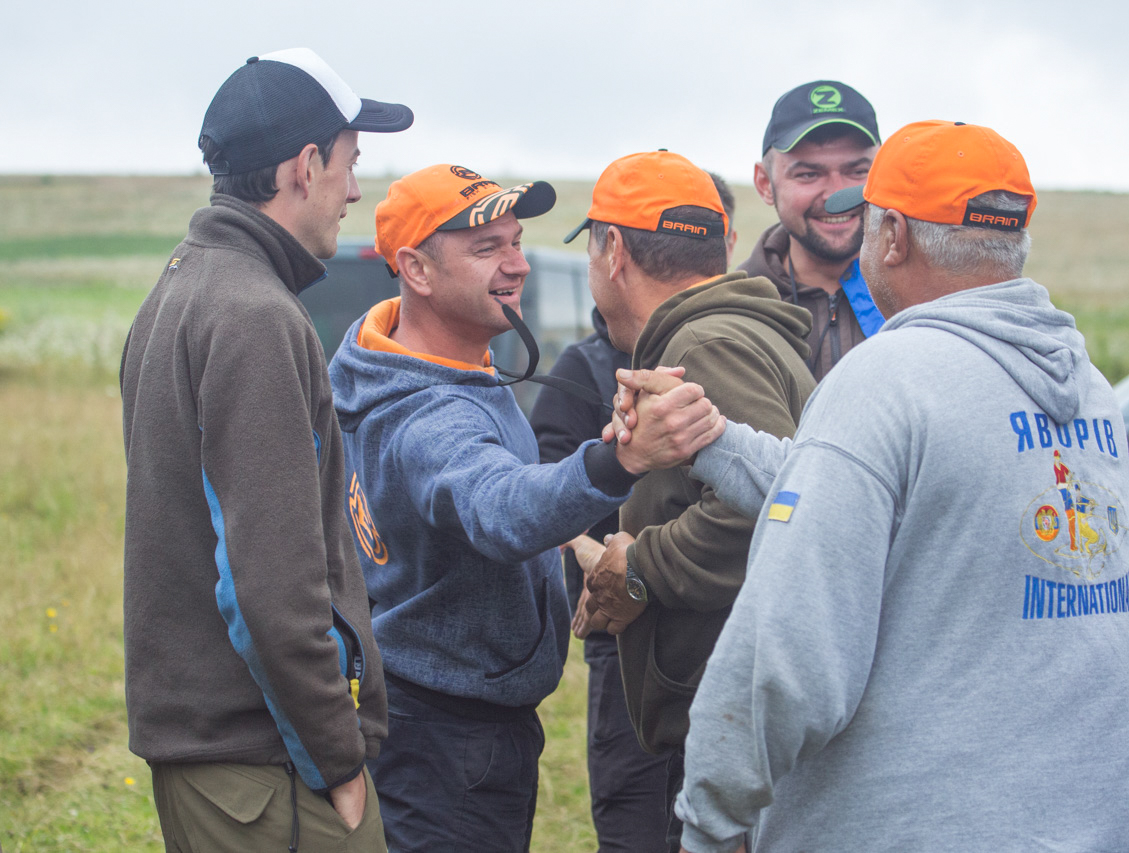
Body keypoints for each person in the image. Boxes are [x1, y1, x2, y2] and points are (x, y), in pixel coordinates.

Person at [615, 120, 1129, 852]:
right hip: (1091, 820)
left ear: (892, 235)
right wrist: (711, 438)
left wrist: (710, 817)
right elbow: (874, 501)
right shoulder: (1087, 390)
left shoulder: (887, 379)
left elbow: (785, 653)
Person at [325, 163, 722, 853]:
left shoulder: (418, 360)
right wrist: (622, 459)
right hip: (448, 742)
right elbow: (498, 506)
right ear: (415, 269)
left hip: (443, 723)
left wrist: (576, 543)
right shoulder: (426, 416)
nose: (517, 265)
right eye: (487, 249)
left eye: (515, 242)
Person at [119, 48, 412, 851]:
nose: (355, 191)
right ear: (305, 166)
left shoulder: (178, 290)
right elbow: (267, 586)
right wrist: (339, 762)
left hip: (225, 763)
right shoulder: (255, 317)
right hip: (271, 768)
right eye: (350, 164)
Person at [562, 150, 815, 851]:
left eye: (591, 249)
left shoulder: (705, 344)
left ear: (614, 251)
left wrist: (638, 565)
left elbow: (775, 511)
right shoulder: (728, 331)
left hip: (735, 732)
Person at [527, 164, 741, 853]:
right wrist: (595, 550)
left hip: (719, 654)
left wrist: (642, 559)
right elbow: (548, 499)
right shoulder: (584, 370)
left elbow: (761, 507)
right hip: (627, 654)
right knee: (638, 825)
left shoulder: (723, 352)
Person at [743, 80, 883, 380]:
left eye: (858, 172)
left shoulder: (927, 294)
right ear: (765, 183)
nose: (836, 195)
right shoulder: (736, 307)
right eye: (808, 174)